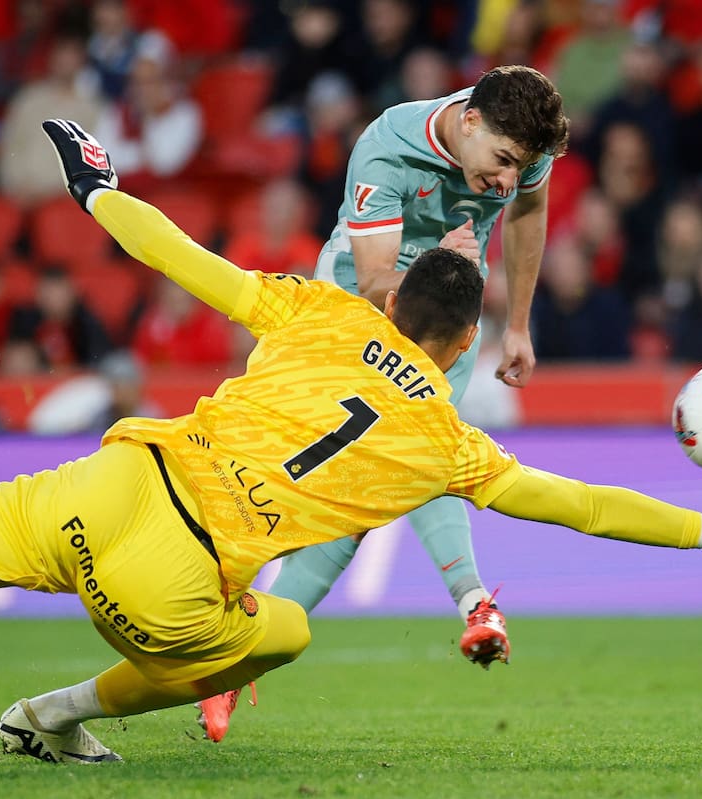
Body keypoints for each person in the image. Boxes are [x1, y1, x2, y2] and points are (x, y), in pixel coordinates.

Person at [0, 120, 702, 765]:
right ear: (463, 338)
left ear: (393, 299)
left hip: (111, 481)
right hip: (175, 583)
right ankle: (51, 714)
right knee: (280, 634)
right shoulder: (445, 440)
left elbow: (187, 259)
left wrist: (97, 189)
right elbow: (578, 503)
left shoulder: (322, 311)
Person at [190, 64, 572, 742]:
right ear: (470, 121)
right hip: (353, 312)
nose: (510, 181)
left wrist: (517, 324)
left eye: (524, 167)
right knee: (339, 485)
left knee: (416, 467)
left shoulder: (517, 146)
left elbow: (531, 209)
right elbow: (372, 282)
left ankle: (237, 663)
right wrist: (447, 261)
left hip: (447, 323)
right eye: (505, 163)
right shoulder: (389, 145)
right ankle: (471, 601)